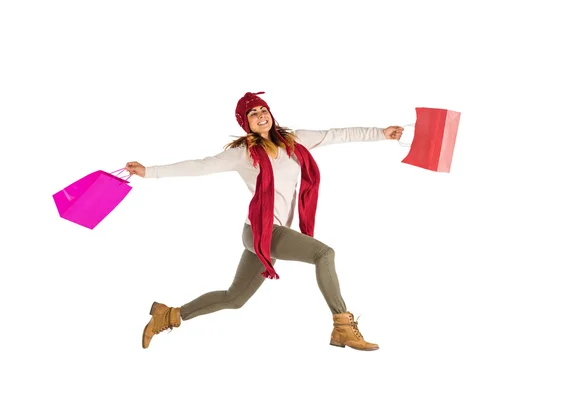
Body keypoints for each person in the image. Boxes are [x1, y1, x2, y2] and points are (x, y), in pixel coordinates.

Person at [125, 91, 404, 351]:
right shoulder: (243, 154)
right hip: (261, 231)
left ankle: (167, 315)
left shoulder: (295, 141)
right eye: (253, 114)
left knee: (234, 298)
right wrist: (149, 171)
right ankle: (342, 325)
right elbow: (199, 166)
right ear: (246, 123)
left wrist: (382, 133)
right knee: (324, 253)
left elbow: (337, 135)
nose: (261, 115)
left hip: (266, 234)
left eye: (263, 110)